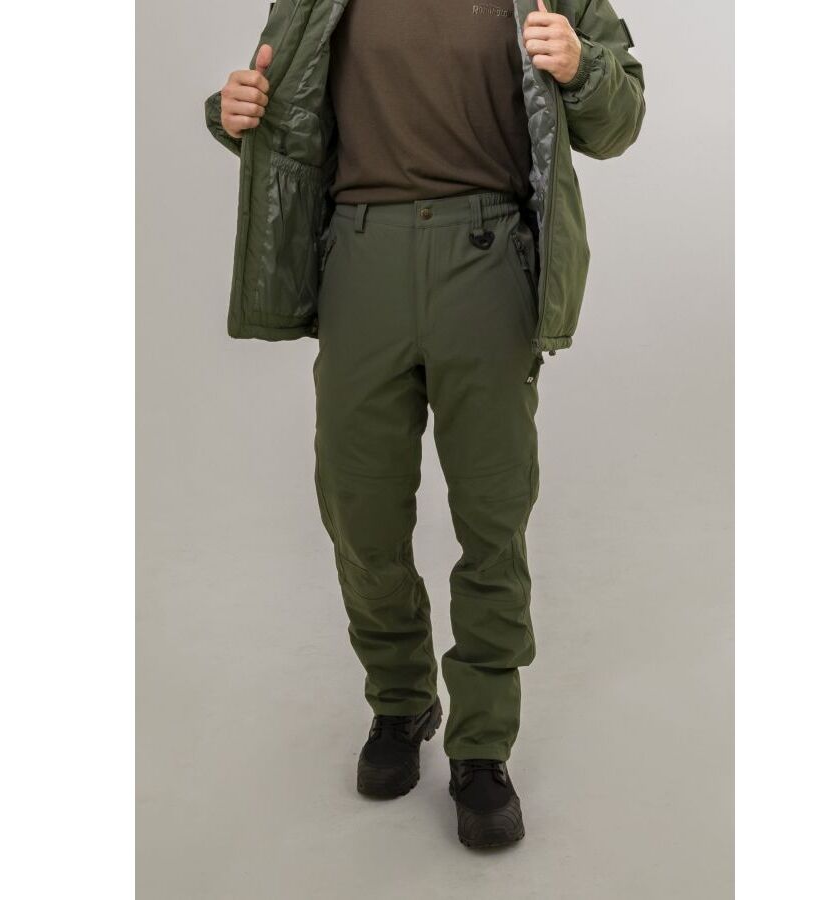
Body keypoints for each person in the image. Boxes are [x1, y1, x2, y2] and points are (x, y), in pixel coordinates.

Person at [205, 0, 644, 849]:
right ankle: (402, 703)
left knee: (492, 518)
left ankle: (482, 749)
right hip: (360, 258)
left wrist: (581, 65)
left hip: (489, 259)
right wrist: (232, 112)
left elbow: (619, 119)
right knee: (359, 511)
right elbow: (286, 102)